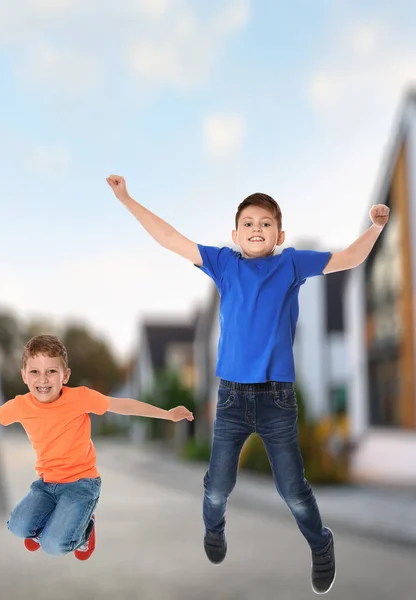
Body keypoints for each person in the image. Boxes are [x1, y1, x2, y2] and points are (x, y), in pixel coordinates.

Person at [106, 173, 390, 594]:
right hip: (231, 399)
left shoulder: (290, 263)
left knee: (292, 490)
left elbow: (349, 257)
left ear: (280, 234)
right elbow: (168, 236)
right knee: (218, 487)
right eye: (248, 223)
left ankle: (321, 543)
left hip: (276, 398)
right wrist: (126, 198)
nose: (256, 229)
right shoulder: (223, 263)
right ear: (234, 233)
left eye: (265, 223)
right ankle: (214, 530)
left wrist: (377, 227)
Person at [0, 334, 193, 560]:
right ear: (24, 375)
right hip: (47, 484)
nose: (43, 379)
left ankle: (85, 531)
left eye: (51, 371)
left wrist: (167, 414)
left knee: (53, 546)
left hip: (82, 483)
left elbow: (123, 405)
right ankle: (59, 521)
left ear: (66, 375)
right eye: (35, 372)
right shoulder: (20, 405)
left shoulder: (81, 398)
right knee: (18, 527)